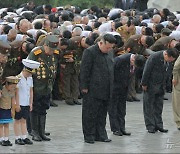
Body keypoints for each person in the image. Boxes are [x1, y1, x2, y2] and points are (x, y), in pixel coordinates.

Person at [80, 34, 116, 144]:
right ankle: (89, 135)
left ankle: (100, 134)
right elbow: (84, 70)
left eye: (111, 48)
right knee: (90, 113)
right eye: (107, 47)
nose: (109, 49)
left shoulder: (109, 52)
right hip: (92, 89)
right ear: (101, 43)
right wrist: (84, 86)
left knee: (102, 114)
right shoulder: (90, 52)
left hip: (106, 88)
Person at [27, 35, 59, 141]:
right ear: (45, 45)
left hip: (47, 87)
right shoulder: (36, 53)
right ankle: (34, 131)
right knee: (34, 109)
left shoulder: (54, 54)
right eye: (50, 49)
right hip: (36, 86)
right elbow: (28, 70)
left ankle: (41, 131)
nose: (51, 51)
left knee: (43, 109)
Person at [141, 48, 179, 133]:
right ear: (166, 55)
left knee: (159, 106)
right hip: (151, 84)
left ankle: (159, 125)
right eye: (170, 59)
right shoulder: (154, 57)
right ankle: (150, 126)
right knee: (149, 106)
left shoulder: (168, 61)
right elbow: (147, 70)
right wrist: (144, 83)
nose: (170, 61)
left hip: (161, 85)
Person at [109, 53, 146, 136]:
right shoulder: (120, 60)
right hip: (114, 87)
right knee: (113, 108)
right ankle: (115, 128)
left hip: (124, 88)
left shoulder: (136, 62)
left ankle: (122, 128)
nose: (134, 67)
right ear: (133, 60)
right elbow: (111, 73)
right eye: (134, 64)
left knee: (122, 109)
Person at [13, 59, 40, 145]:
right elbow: (15, 93)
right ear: (25, 70)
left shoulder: (30, 79)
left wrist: (30, 103)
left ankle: (24, 137)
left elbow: (31, 91)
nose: (30, 74)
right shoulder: (18, 78)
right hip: (19, 102)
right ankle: (17, 137)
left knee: (24, 120)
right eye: (29, 72)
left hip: (26, 103)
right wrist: (16, 104)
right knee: (17, 120)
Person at [0, 76, 20, 146]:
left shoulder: (12, 91)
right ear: (7, 84)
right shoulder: (2, 90)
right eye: (12, 87)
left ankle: (6, 139)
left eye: (14, 87)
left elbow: (13, 101)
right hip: (1, 109)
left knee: (7, 125)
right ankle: (1, 139)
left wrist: (13, 110)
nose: (13, 88)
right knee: (1, 125)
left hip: (8, 109)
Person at [172, 55, 180, 130]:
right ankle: (178, 122)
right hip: (178, 82)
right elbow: (176, 67)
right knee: (177, 102)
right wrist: (175, 78)